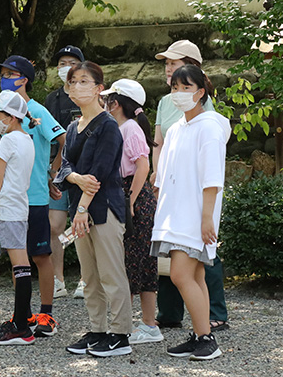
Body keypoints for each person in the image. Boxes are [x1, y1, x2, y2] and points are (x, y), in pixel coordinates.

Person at [151, 64, 231, 361]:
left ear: (200, 93)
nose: (179, 94)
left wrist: (207, 217)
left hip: (195, 215)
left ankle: (206, 338)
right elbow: (165, 176)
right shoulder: (175, 129)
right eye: (174, 88)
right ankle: (201, 335)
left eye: (186, 88)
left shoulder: (210, 126)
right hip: (176, 214)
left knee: (181, 274)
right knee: (194, 275)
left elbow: (212, 177)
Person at [55, 61, 133, 358]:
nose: (76, 86)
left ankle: (120, 333)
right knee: (90, 276)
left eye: (84, 81)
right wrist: (73, 178)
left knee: (112, 274)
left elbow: (99, 174)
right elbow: (65, 169)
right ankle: (97, 329)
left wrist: (82, 209)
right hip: (81, 209)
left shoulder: (109, 126)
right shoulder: (73, 127)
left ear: (99, 88)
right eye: (73, 81)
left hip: (103, 209)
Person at [0, 55, 66, 338]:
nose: (4, 78)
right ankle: (23, 312)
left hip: (35, 197)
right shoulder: (5, 112)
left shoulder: (37, 111)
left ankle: (46, 313)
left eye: (10, 73)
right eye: (2, 73)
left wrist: (52, 172)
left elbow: (63, 139)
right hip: (13, 199)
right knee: (17, 256)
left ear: (24, 79)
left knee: (41, 255)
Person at [100, 79, 162, 345]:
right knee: (142, 263)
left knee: (132, 263)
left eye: (108, 99)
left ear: (117, 103)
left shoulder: (129, 129)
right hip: (129, 196)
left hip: (132, 197)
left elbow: (143, 166)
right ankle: (148, 324)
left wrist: (131, 201)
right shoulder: (123, 127)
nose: (104, 103)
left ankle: (129, 324)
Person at [0, 90, 37, 345]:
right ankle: (22, 319)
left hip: (7, 208)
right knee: (21, 264)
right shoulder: (26, 139)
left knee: (20, 266)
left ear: (12, 117)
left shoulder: (8, 141)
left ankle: (21, 328)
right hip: (19, 206)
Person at [43, 45, 86, 299]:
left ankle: (85, 279)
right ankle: (58, 279)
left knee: (82, 225)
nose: (65, 67)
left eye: (71, 62)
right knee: (54, 226)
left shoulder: (91, 95)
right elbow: (52, 137)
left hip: (82, 172)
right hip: (57, 172)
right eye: (61, 63)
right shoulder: (52, 100)